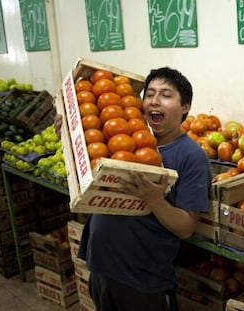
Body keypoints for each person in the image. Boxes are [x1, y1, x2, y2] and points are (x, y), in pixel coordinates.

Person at [71, 67, 212, 311]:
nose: (155, 101)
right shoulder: (119, 134)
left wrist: (155, 200)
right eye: (150, 94)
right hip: (101, 268)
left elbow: (186, 227)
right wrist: (70, 132)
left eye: (166, 95)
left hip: (142, 280)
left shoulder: (191, 156)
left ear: (185, 107)